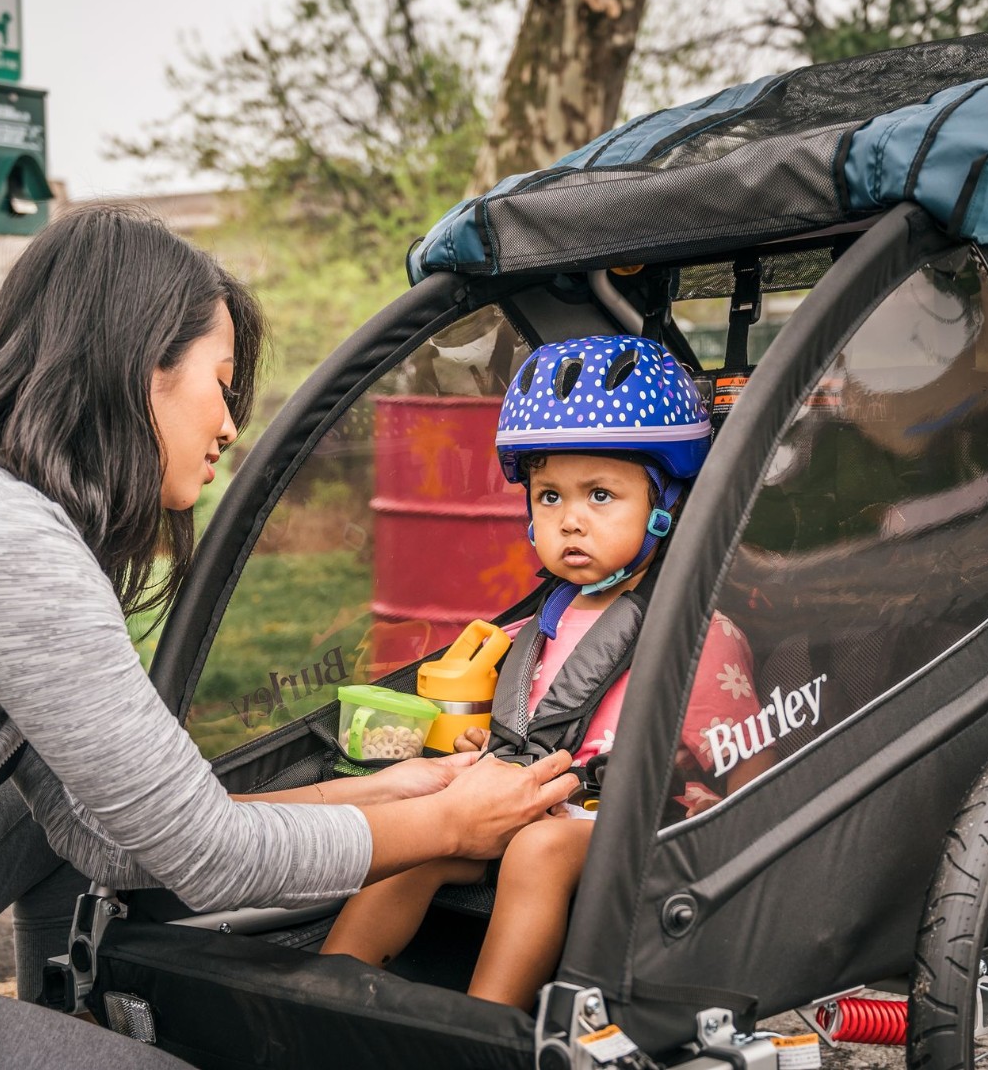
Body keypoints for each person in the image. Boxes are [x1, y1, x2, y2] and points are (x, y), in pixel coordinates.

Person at [0, 204, 577, 1010]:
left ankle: (57, 1019)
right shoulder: (5, 539)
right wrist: (454, 827)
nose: (233, 426)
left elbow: (107, 830)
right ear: (142, 366)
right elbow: (204, 854)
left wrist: (391, 792)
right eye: (222, 384)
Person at [321, 335, 775, 1009]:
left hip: (632, 830)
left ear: (667, 506)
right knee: (419, 834)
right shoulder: (530, 630)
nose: (570, 522)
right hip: (529, 800)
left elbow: (752, 772)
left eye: (599, 495)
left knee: (539, 849)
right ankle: (327, 989)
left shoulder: (697, 640)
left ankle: (485, 1022)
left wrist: (731, 847)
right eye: (550, 497)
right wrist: (484, 750)